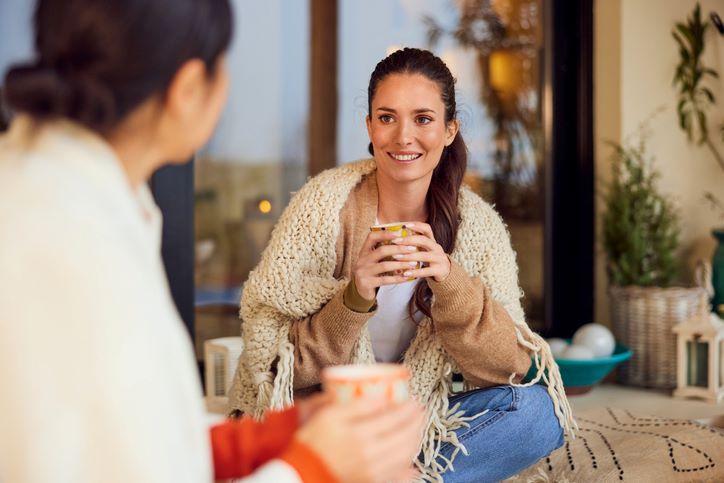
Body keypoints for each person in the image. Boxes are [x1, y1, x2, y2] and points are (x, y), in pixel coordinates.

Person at [0, 1, 424, 482]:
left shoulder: (81, 195)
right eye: (224, 66)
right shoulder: (67, 241)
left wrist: (271, 439)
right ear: (187, 89)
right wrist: (315, 468)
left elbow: (123, 446)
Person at [229, 47, 576, 482]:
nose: (403, 137)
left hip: (414, 424)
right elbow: (278, 374)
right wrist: (353, 298)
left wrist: (450, 282)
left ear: (450, 130)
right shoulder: (323, 206)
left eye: (423, 119)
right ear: (370, 126)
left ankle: (401, 477)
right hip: (324, 417)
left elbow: (512, 368)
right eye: (387, 117)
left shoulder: (479, 228)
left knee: (537, 412)